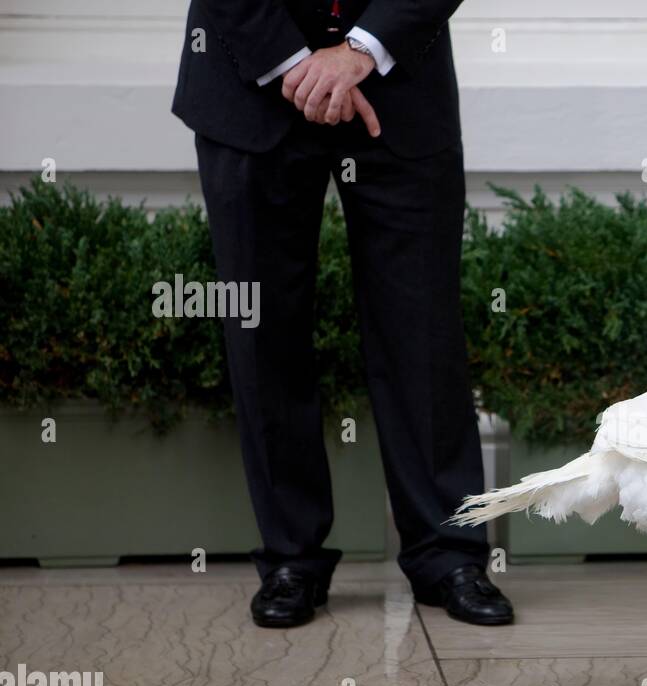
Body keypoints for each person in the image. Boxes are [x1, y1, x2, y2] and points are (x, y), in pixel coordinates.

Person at [172, 0, 513, 628]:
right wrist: (293, 63)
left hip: (400, 83)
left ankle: (449, 553)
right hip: (247, 80)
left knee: (423, 328)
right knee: (262, 329)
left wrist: (361, 49)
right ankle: (290, 556)